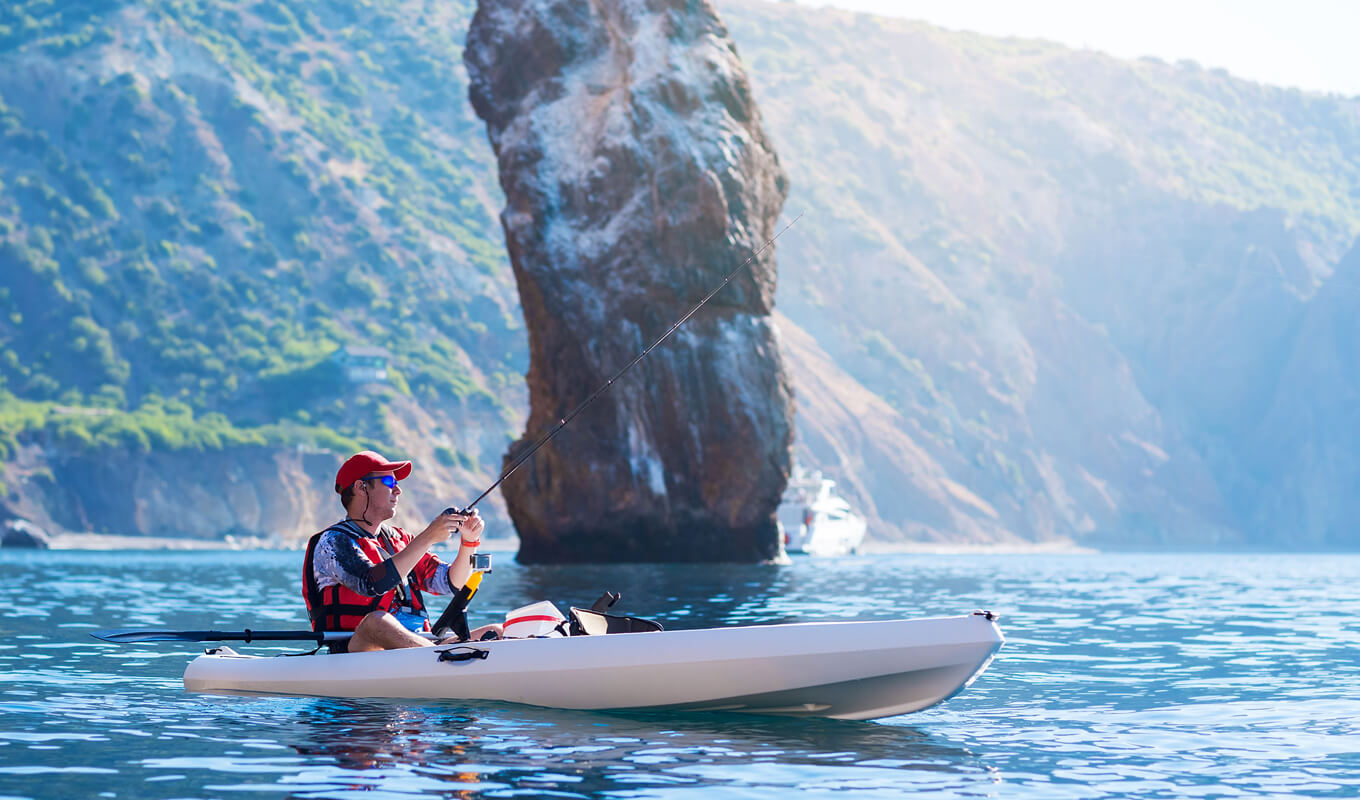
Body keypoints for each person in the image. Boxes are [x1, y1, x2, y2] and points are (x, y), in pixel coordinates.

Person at [302, 450, 501, 652]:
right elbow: (372, 583)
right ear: (361, 487)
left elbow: (450, 583)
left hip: (417, 646)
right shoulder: (333, 542)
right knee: (377, 622)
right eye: (389, 482)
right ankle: (442, 657)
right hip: (357, 650)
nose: (398, 490)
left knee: (497, 630)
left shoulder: (401, 540)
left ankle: (441, 656)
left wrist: (469, 541)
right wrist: (429, 536)